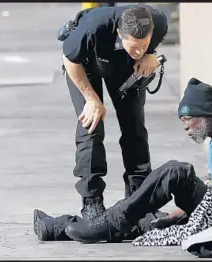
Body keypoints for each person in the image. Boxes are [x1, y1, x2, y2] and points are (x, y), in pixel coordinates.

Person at [34, 78, 212, 245]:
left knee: (177, 172)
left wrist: (205, 186)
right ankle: (58, 227)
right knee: (147, 221)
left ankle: (105, 223)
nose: (185, 126)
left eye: (187, 119)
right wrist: (173, 217)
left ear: (204, 114)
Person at [61, 5, 168, 221]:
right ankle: (92, 202)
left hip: (123, 65)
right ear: (120, 33)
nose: (138, 50)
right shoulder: (94, 26)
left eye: (144, 44)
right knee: (91, 125)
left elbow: (144, 51)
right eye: (134, 45)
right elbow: (70, 59)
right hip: (85, 63)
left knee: (134, 125)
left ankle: (139, 200)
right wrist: (92, 99)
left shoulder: (158, 22)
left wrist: (150, 55)